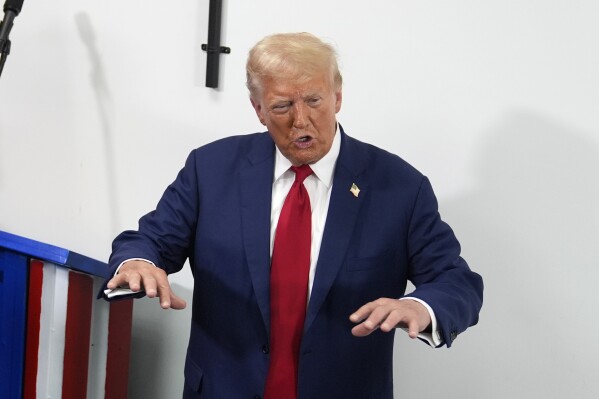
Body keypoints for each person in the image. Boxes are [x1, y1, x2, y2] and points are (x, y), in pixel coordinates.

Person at [103, 32, 483, 399]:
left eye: (314, 101)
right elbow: (149, 240)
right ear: (259, 109)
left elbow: (455, 281)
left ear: (338, 96)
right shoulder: (211, 169)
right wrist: (140, 263)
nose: (301, 120)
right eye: (283, 106)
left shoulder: (400, 188)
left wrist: (420, 305)